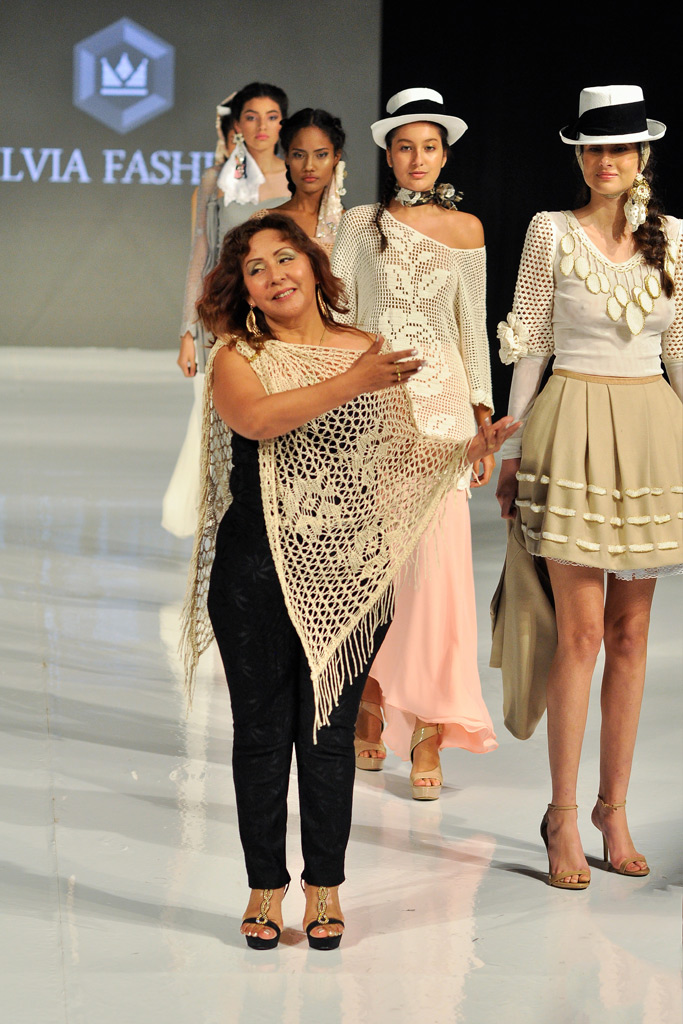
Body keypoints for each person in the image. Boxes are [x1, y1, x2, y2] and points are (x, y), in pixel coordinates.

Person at [179, 213, 518, 948]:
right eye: (255, 269)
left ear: (312, 263)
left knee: (328, 732)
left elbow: (396, 453)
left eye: (285, 258)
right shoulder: (239, 354)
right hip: (255, 571)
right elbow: (258, 420)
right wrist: (353, 381)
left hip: (347, 569)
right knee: (261, 733)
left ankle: (325, 888)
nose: (275, 275)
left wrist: (465, 450)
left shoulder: (366, 349)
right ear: (243, 290)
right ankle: (265, 887)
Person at [495, 85, 682, 889]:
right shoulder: (549, 231)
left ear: (641, 155)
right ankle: (562, 815)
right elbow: (530, 342)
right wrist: (510, 448)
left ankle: (613, 809)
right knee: (579, 635)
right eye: (593, 148)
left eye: (620, 147)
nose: (606, 160)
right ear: (578, 156)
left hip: (650, 434)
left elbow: (679, 347)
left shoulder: (673, 238)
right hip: (569, 425)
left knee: (631, 635)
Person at [331, 88, 498, 798]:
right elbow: (336, 312)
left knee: (437, 575)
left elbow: (471, 326)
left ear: (444, 155)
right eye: (405, 147)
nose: (417, 158)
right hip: (372, 409)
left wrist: (483, 420)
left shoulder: (466, 229)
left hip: (442, 415)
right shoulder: (358, 224)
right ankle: (369, 700)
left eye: (429, 147)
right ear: (388, 153)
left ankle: (428, 729)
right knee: (375, 568)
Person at [162, 83, 289, 538]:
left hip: (279, 321)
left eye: (271, 116)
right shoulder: (217, 181)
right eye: (251, 117)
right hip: (224, 321)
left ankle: (260, 524)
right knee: (211, 423)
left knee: (269, 423)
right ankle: (205, 521)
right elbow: (201, 254)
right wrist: (187, 330)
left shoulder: (296, 178)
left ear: (282, 123)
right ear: (236, 125)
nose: (262, 126)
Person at [251, 107, 346, 255]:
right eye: (299, 155)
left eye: (321, 155)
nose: (309, 166)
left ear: (336, 157)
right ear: (287, 157)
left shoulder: (352, 225)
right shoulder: (265, 222)